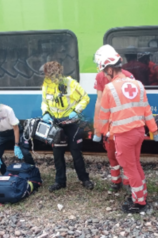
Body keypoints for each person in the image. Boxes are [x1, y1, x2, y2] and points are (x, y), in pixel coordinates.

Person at [96, 45, 158, 213]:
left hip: (123, 135)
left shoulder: (109, 89)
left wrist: (101, 132)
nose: (104, 75)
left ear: (109, 69)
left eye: (104, 71)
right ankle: (141, 194)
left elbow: (104, 115)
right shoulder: (138, 84)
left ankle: (139, 203)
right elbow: (146, 109)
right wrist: (154, 130)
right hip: (139, 132)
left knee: (129, 168)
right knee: (135, 164)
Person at [41, 61, 94, 192]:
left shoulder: (71, 83)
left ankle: (84, 179)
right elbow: (45, 102)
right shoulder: (46, 85)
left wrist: (76, 110)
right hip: (56, 124)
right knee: (57, 154)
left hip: (71, 123)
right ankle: (60, 181)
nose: (49, 77)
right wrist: (46, 113)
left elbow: (85, 98)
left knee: (76, 152)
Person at [93, 45, 135, 191]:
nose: (103, 73)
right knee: (112, 155)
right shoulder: (100, 77)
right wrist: (97, 128)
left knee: (127, 157)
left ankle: (129, 183)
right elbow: (99, 103)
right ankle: (116, 181)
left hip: (123, 124)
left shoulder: (128, 77)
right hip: (109, 125)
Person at [0, 94, 35, 175]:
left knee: (25, 152)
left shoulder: (7, 110)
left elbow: (16, 128)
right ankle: (6, 174)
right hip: (1, 134)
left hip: (14, 131)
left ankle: (33, 172)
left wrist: (17, 145)